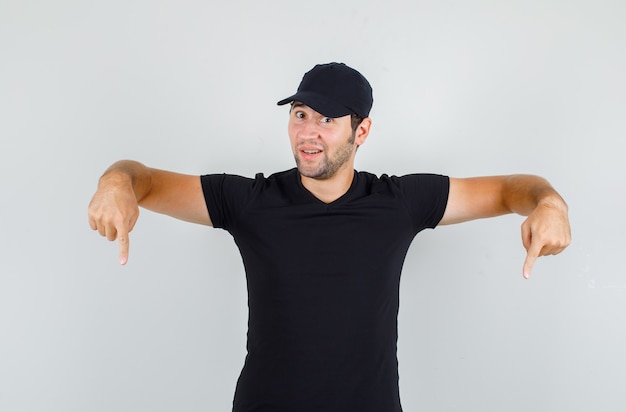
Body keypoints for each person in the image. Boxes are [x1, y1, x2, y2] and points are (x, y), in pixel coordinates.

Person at [88, 62, 571, 412]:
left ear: (361, 131)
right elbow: (143, 178)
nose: (308, 132)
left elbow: (511, 190)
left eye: (327, 119)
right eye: (300, 114)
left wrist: (550, 203)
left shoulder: (401, 201)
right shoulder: (250, 201)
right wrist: (116, 184)